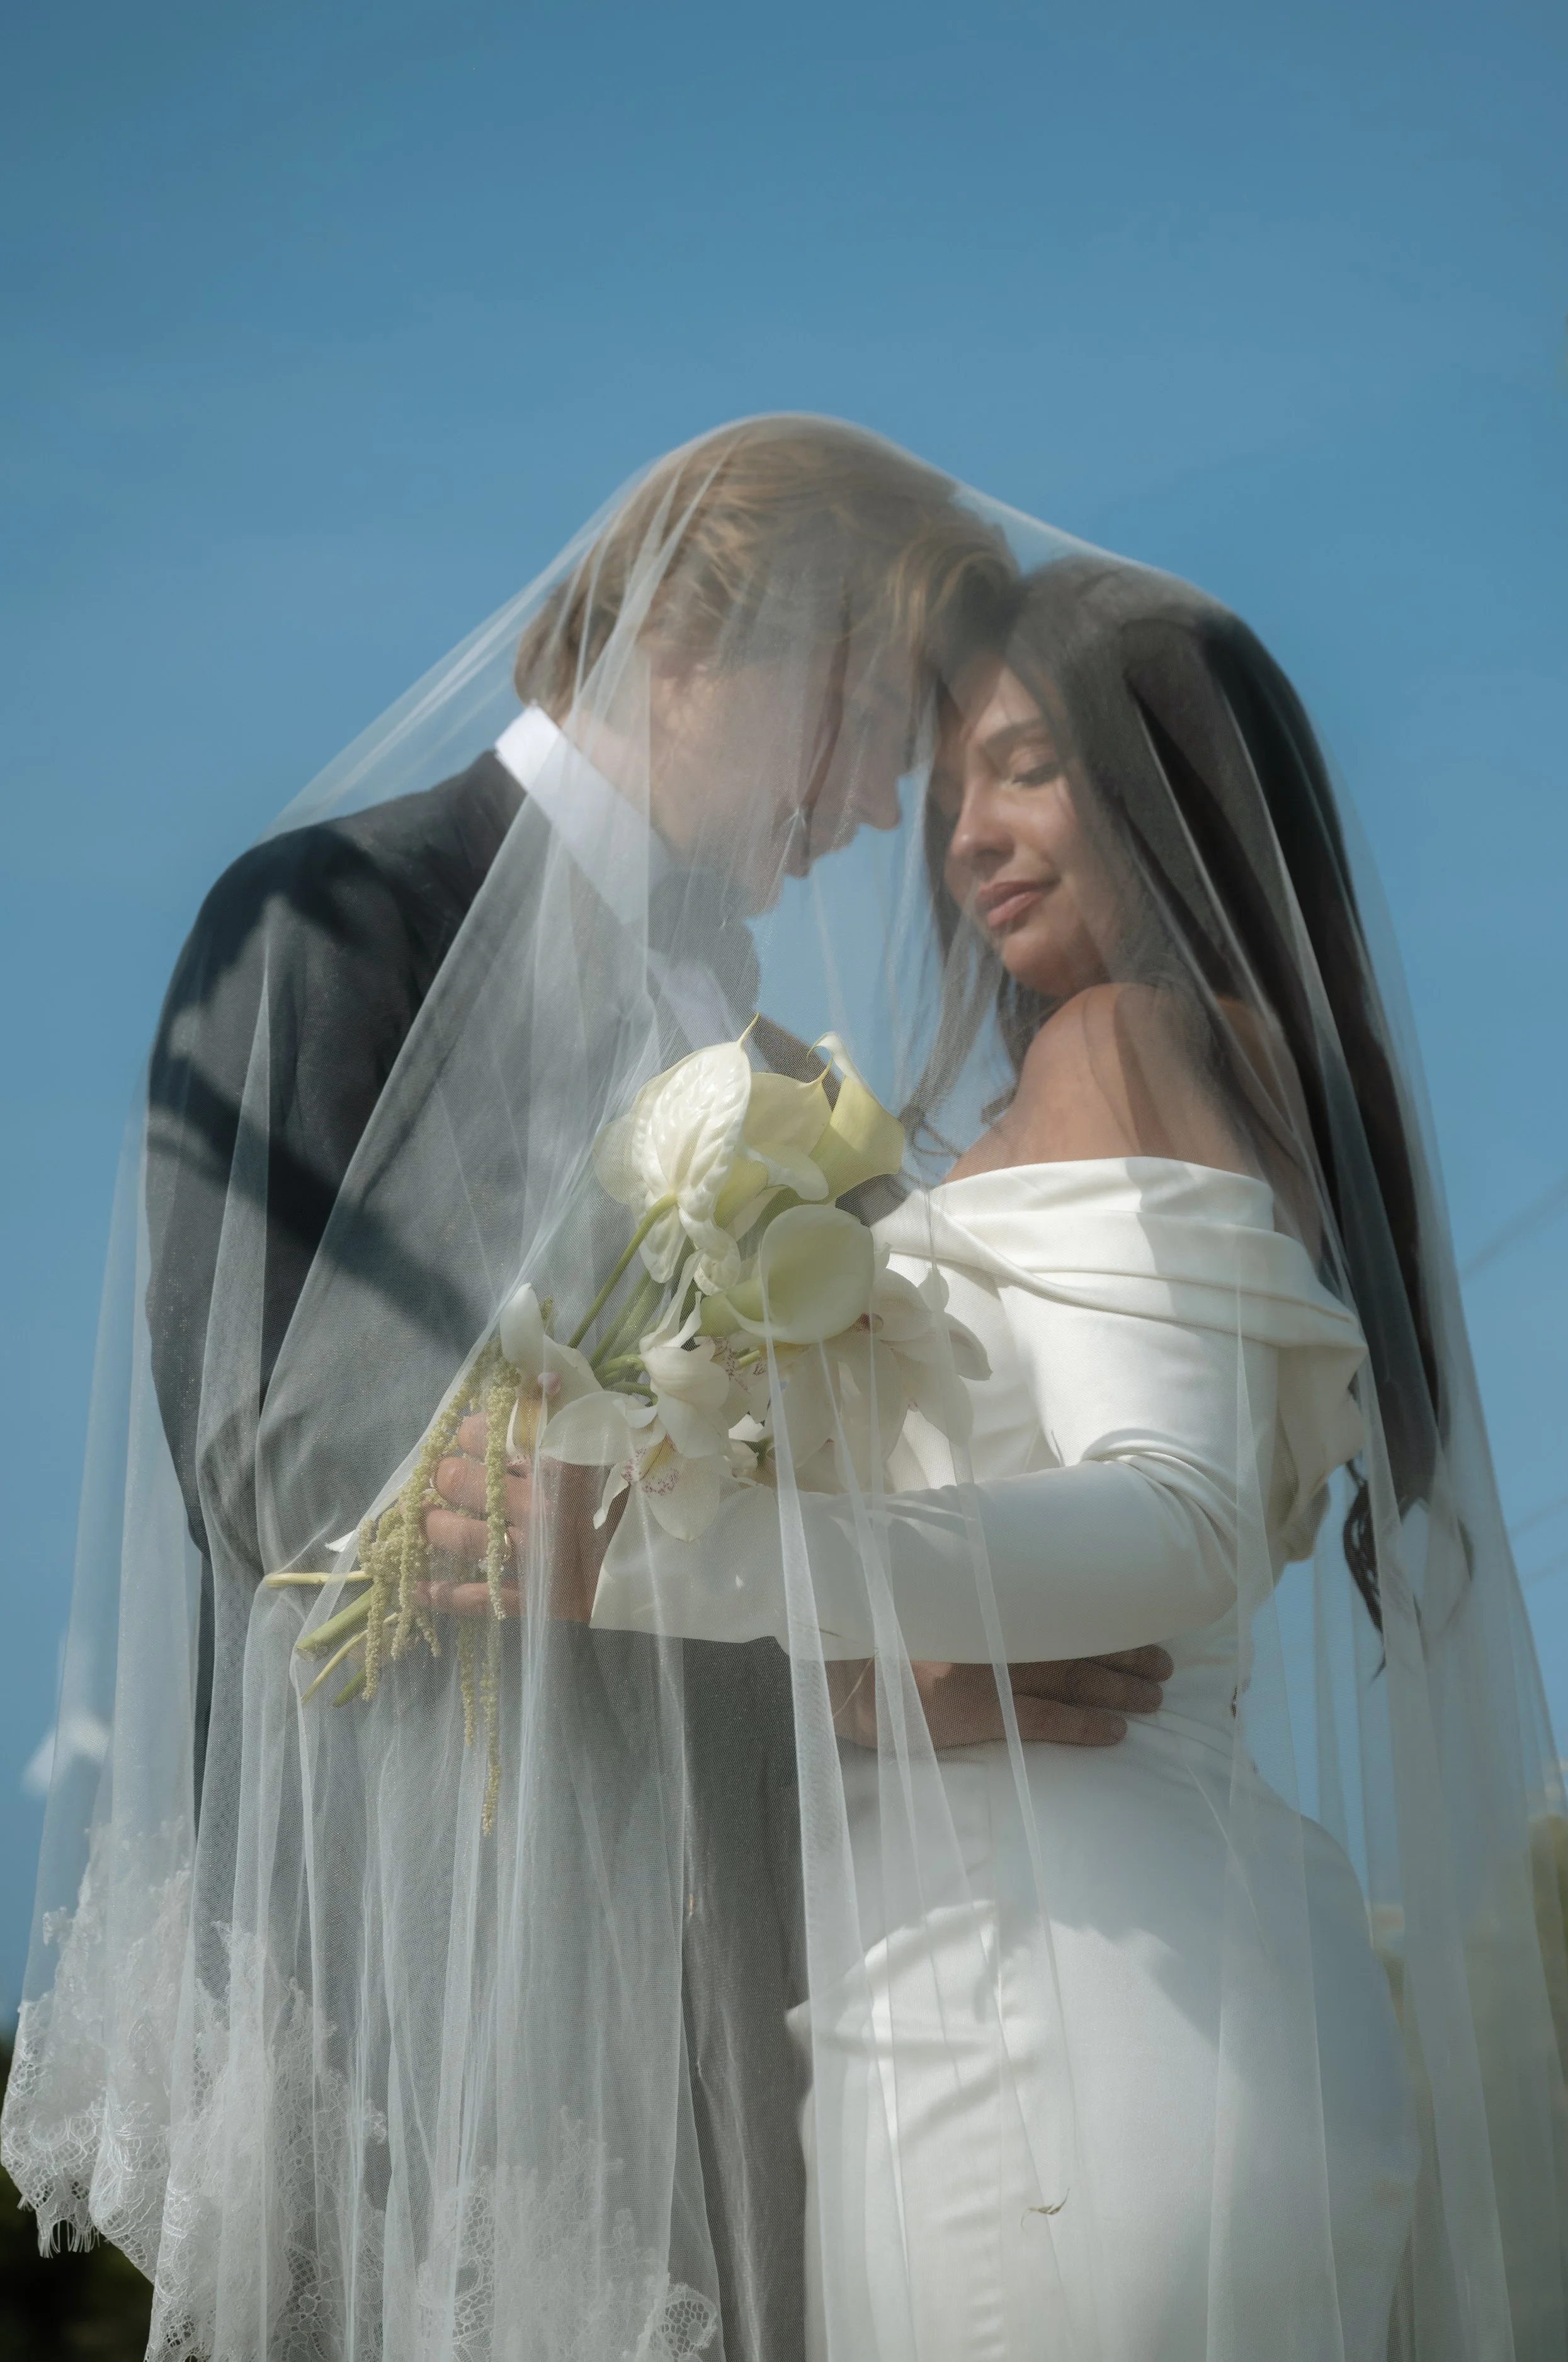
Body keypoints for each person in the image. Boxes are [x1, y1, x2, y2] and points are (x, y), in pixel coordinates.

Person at [3, 422, 1174, 2362]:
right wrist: (880, 1669)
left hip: (757, 2011)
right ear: (707, 642)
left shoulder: (784, 1074)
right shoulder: (333, 917)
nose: (891, 804)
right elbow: (290, 1484)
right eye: (880, 713)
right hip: (431, 2029)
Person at [523, 554, 1568, 2356]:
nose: (968, 837)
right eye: (949, 793)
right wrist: (851, 1674)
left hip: (1063, 2005)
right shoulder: (1193, 1071)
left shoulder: (1122, 1042)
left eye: (1026, 766)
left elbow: (1166, 1521)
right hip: (1082, 1974)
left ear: (1165, 787)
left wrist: (658, 1553)